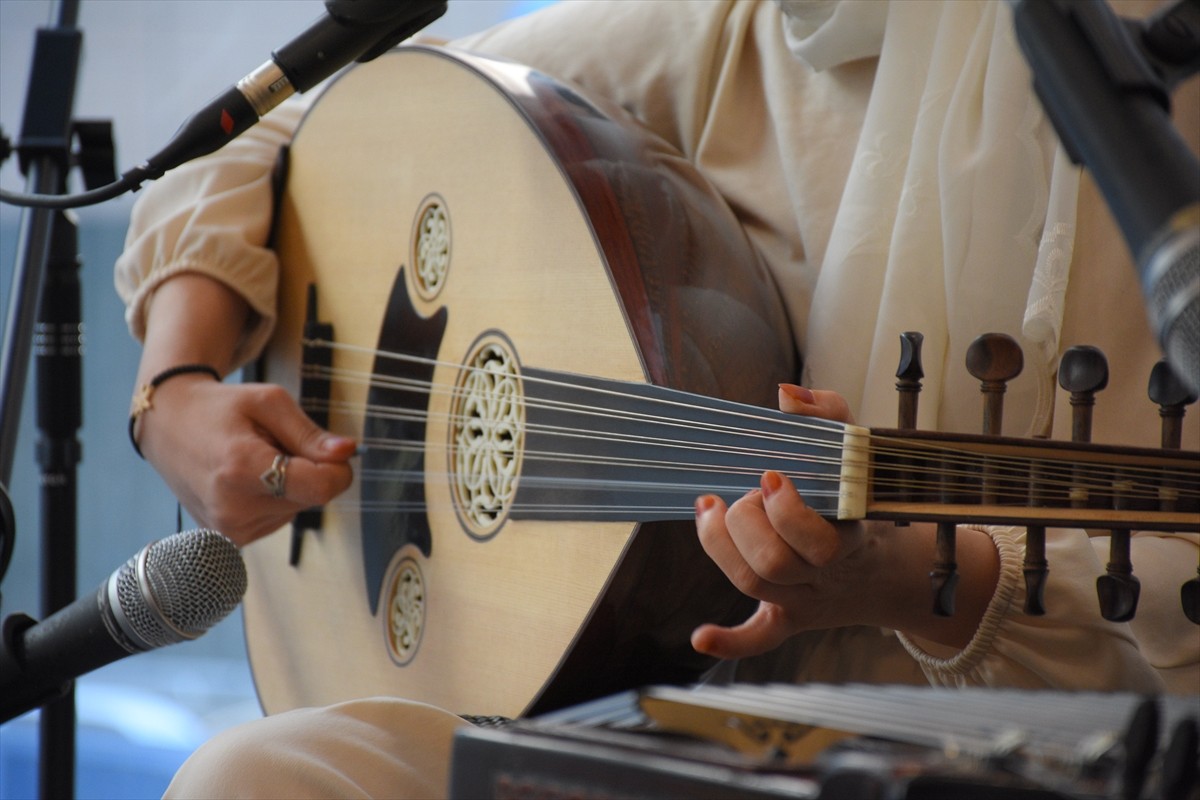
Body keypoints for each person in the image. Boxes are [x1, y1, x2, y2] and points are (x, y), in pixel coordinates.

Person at [113, 0, 1198, 796]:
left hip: (993, 756)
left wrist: (902, 578)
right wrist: (178, 384)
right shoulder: (758, 31)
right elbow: (278, 124)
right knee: (259, 779)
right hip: (687, 728)